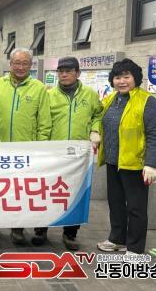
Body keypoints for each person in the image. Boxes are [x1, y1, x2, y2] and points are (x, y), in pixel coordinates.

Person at [0, 48, 51, 243]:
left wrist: (40, 149)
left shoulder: (38, 88)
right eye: (17, 63)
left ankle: (17, 228)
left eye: (25, 63)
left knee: (20, 192)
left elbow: (44, 122)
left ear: (31, 65)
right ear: (10, 64)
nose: (20, 67)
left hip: (25, 153)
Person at [34, 56, 103, 250]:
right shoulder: (49, 95)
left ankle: (70, 233)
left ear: (77, 73)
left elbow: (98, 114)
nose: (64, 75)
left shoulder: (90, 95)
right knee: (47, 192)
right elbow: (42, 122)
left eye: (69, 71)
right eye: (61, 71)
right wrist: (42, 148)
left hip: (78, 155)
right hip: (53, 153)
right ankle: (41, 230)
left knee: (75, 194)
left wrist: (95, 130)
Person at [96, 59, 156, 254]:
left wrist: (151, 164)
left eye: (126, 77)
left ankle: (135, 247)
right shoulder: (111, 99)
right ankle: (117, 239)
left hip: (135, 164)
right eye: (117, 77)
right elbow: (102, 122)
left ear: (136, 78)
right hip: (113, 161)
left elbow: (154, 135)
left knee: (136, 208)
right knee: (115, 203)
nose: (122, 81)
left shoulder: (148, 102)